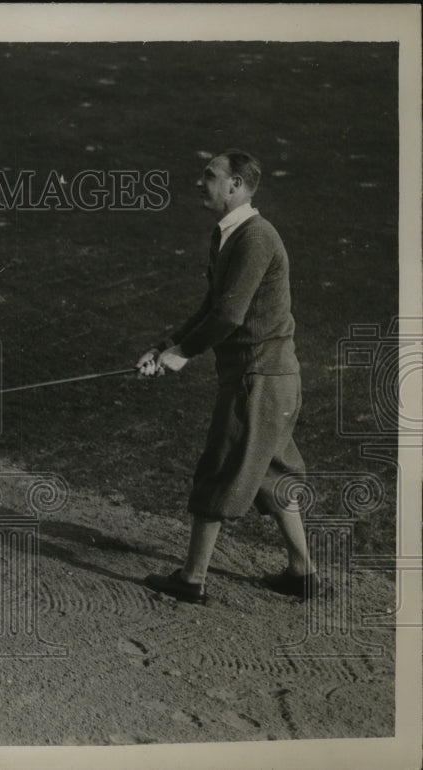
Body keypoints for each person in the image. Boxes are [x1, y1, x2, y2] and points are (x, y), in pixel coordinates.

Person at [137, 149, 318, 605]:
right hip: (271, 379)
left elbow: (230, 316)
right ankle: (302, 572)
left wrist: (183, 353)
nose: (201, 182)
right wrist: (166, 346)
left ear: (236, 185)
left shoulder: (255, 238)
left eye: (211, 176)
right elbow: (211, 307)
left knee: (219, 469)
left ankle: (193, 579)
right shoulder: (228, 234)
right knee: (272, 475)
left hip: (257, 380)